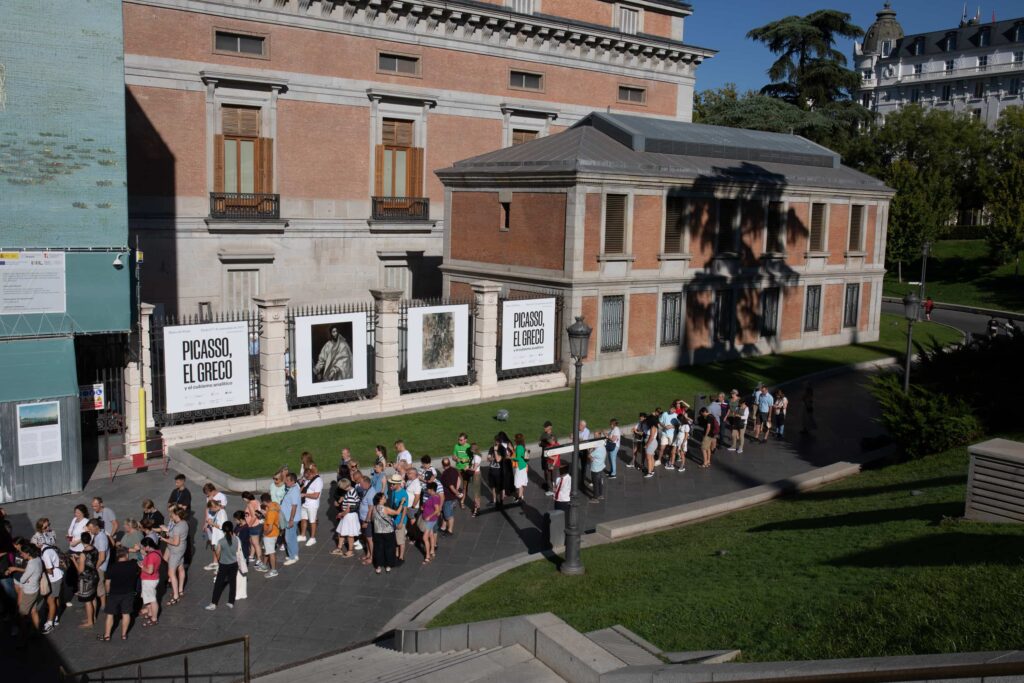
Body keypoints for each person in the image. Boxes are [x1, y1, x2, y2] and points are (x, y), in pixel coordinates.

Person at [99, 547, 137, 641]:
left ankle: (107, 636)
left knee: (110, 614)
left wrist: (108, 593)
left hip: (114, 594)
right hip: (128, 593)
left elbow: (107, 583)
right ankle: (124, 635)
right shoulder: (133, 565)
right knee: (126, 613)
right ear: (126, 555)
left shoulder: (112, 567)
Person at [11, 541, 43, 639]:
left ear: (28, 553)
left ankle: (24, 637)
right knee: (34, 611)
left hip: (29, 592)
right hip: (35, 588)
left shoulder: (31, 564)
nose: (21, 554)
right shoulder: (38, 559)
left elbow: (23, 579)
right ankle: (37, 632)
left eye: (23, 553)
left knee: (22, 615)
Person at [205, 522, 240, 611]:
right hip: (234, 564)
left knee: (218, 584)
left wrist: (217, 553)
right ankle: (231, 602)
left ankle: (214, 603)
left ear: (223, 531)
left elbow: (218, 554)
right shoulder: (236, 539)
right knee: (232, 583)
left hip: (224, 565)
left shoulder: (221, 541)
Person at [161, 505, 189, 602]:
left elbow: (175, 542)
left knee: (171, 572)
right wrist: (168, 530)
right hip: (182, 549)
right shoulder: (184, 523)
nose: (170, 516)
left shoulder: (177, 527)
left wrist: (164, 539)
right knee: (180, 568)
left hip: (175, 551)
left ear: (177, 515)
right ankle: (180, 590)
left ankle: (176, 595)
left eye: (172, 514)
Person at [370, 493, 401, 574]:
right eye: (384, 497)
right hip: (388, 532)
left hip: (377, 532)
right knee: (389, 548)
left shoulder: (374, 508)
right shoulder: (385, 508)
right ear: (380, 499)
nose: (385, 498)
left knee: (378, 549)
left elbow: (372, 520)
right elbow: (397, 512)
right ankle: (388, 566)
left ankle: (378, 566)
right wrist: (402, 503)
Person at [39, 539, 64, 633]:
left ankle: (50, 623)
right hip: (56, 577)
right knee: (55, 598)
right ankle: (55, 616)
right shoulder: (47, 548)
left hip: (54, 578)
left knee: (51, 600)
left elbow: (49, 570)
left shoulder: (45, 553)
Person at [332, 479, 361, 558]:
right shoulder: (351, 491)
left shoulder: (351, 493)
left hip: (350, 516)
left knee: (350, 534)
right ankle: (339, 548)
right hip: (348, 516)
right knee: (342, 532)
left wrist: (341, 514)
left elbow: (348, 509)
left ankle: (350, 551)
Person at [87, 518, 111, 611]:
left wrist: (95, 567)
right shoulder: (98, 535)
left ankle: (103, 605)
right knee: (98, 585)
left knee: (99, 585)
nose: (90, 530)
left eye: (91, 528)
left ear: (96, 527)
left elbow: (102, 557)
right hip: (98, 565)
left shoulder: (101, 538)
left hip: (100, 566)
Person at [297, 463, 322, 546]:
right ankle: (303, 535)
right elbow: (304, 486)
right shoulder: (308, 479)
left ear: (312, 473)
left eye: (307, 476)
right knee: (303, 519)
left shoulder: (318, 481)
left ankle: (312, 538)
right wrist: (298, 491)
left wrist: (305, 495)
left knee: (312, 521)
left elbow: (316, 495)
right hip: (304, 503)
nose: (306, 477)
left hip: (312, 504)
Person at [138, 538, 161, 627]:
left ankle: (154, 619)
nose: (142, 548)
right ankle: (150, 613)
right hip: (154, 578)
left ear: (147, 546)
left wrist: (141, 566)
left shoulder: (151, 556)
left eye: (143, 547)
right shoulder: (157, 551)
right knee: (148, 598)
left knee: (152, 600)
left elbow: (150, 571)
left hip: (149, 580)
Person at [280, 473, 302, 565]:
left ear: (293, 481)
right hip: (290, 517)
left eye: (288, 480)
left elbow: (294, 506)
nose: (285, 481)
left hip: (291, 518)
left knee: (288, 538)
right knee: (292, 537)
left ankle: (292, 557)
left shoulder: (294, 491)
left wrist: (291, 519)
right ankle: (294, 554)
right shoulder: (294, 487)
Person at [387, 474, 409, 562]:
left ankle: (401, 557)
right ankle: (396, 554)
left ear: (398, 484)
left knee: (400, 540)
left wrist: (401, 522)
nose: (391, 485)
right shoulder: (393, 491)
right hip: (393, 518)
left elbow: (404, 510)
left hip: (400, 519)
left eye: (393, 484)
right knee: (395, 539)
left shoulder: (404, 494)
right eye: (391, 484)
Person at [419, 482, 441, 564]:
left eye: (427, 489)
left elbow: (437, 510)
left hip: (430, 520)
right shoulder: (432, 496)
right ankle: (432, 551)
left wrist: (429, 516)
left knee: (425, 538)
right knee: (431, 535)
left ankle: (427, 556)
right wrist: (423, 507)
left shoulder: (434, 498)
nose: (427, 490)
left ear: (431, 490)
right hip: (430, 519)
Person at [259, 494, 280, 578]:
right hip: (276, 532)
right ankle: (264, 565)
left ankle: (274, 570)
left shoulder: (271, 512)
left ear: (264, 501)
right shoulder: (275, 504)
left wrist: (265, 534)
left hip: (270, 535)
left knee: (271, 552)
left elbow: (270, 527)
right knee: (267, 550)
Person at [242, 492, 265, 569]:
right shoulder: (256, 501)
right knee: (252, 541)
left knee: (256, 543)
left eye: (243, 498)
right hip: (258, 524)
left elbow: (253, 516)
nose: (243, 500)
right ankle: (251, 556)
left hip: (253, 525)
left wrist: (249, 525)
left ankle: (259, 560)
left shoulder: (250, 504)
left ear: (246, 498)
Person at [439, 458, 462, 535]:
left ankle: (450, 530)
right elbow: (459, 480)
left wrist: (456, 493)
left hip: (448, 497)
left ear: (442, 465)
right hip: (452, 497)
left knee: (448, 515)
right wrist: (457, 490)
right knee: (446, 512)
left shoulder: (446, 474)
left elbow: (451, 486)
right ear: (449, 463)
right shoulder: (454, 470)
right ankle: (443, 527)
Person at [204, 499, 227, 570]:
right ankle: (220, 567)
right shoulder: (218, 512)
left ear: (214, 506)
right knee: (218, 552)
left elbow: (223, 526)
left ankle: (222, 568)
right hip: (217, 536)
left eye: (210, 509)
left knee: (219, 552)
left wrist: (212, 523)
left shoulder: (222, 512)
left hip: (220, 536)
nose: (210, 511)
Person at [588, 432, 607, 502]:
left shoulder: (597, 450)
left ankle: (595, 498)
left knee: (595, 483)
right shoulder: (603, 447)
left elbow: (589, 456)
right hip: (601, 467)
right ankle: (601, 495)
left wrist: (589, 450)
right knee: (600, 482)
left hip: (595, 469)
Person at [466, 442, 483, 517]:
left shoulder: (476, 457)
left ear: (472, 449)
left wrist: (467, 468)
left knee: (476, 493)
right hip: (477, 474)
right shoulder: (477, 455)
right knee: (477, 492)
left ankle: (477, 510)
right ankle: (477, 507)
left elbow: (474, 469)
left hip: (476, 475)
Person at [513, 433, 530, 502]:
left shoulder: (518, 447)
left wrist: (511, 458)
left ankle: (519, 497)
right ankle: (521, 495)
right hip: (523, 466)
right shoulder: (523, 446)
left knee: (519, 482)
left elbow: (518, 458)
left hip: (520, 467)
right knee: (522, 482)